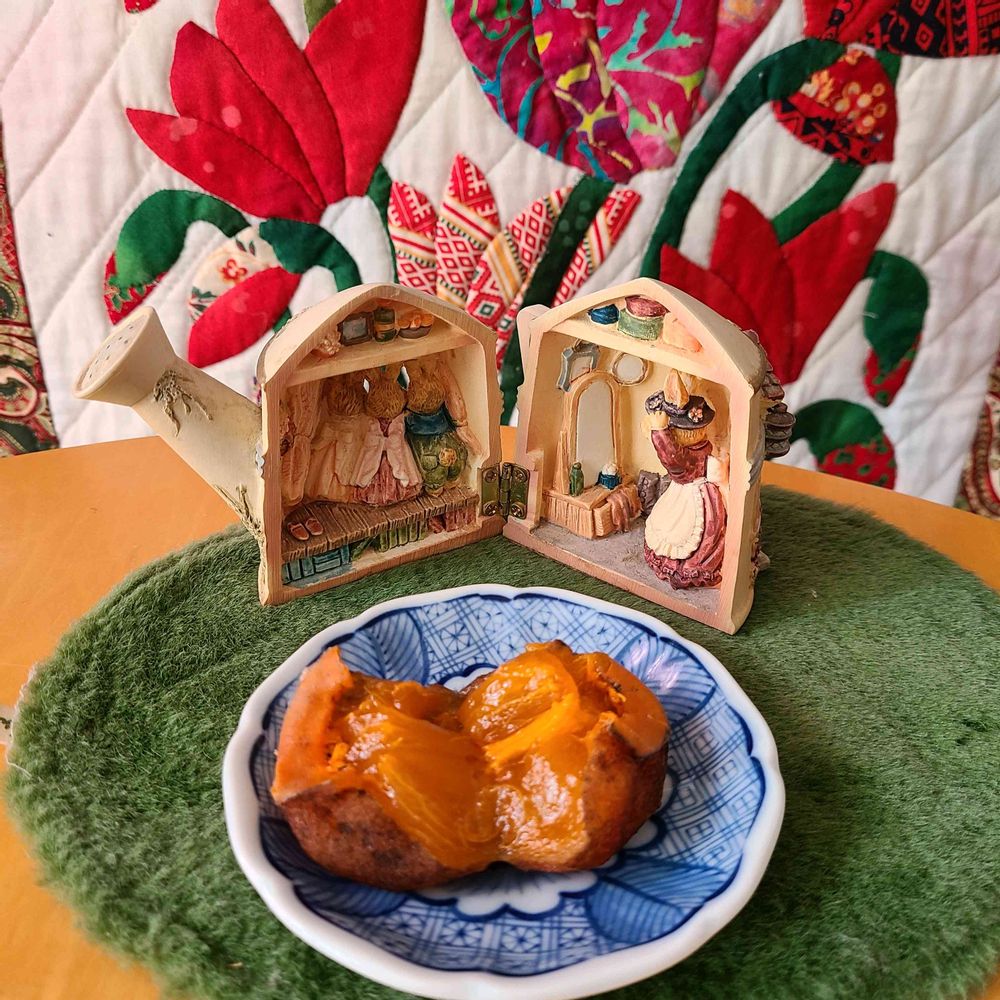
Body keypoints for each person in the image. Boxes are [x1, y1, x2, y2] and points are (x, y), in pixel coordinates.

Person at [642, 374, 728, 589]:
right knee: (671, 526)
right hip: (687, 492)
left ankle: (688, 566)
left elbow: (673, 459)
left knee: (686, 531)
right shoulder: (699, 450)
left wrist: (660, 432)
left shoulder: (690, 458)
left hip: (693, 497)